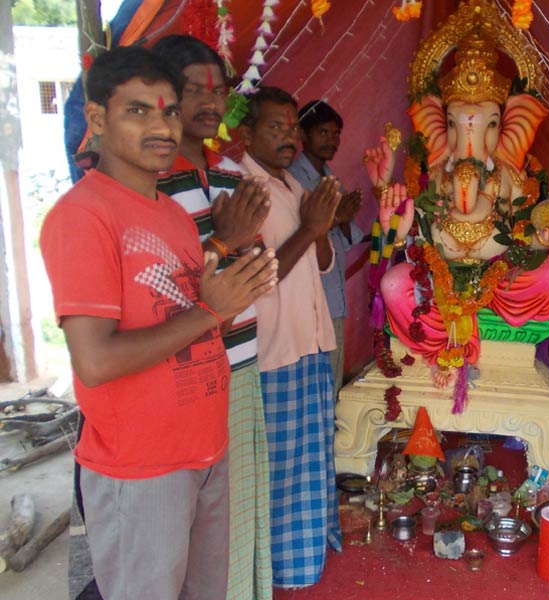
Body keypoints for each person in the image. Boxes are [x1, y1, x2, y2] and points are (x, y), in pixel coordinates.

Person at [39, 46, 278, 599]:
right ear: (97, 120)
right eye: (138, 111)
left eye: (169, 111)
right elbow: (96, 362)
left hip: (204, 447)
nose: (162, 125)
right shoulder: (83, 217)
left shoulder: (169, 214)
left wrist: (233, 286)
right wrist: (212, 309)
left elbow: (181, 318)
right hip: (141, 469)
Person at [151, 34, 274, 600]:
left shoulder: (229, 173)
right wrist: (225, 245)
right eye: (192, 88)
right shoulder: (151, 179)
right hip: (186, 372)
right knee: (190, 533)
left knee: (239, 508)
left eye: (217, 89)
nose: (208, 101)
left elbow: (253, 266)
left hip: (242, 362)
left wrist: (247, 254)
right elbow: (162, 284)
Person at [237, 86, 343, 588]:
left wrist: (319, 224)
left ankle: (308, 552)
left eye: (291, 128)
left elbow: (322, 263)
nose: (289, 138)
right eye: (274, 128)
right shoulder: (242, 188)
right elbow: (259, 275)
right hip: (275, 348)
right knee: (281, 467)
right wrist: (313, 224)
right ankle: (281, 568)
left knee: (312, 453)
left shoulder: (290, 186)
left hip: (310, 340)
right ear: (247, 132)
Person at [288, 100, 363, 396]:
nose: (331, 140)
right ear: (303, 136)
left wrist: (342, 218)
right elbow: (297, 232)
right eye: (323, 133)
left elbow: (346, 240)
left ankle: (327, 432)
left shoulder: (331, 179)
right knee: (313, 381)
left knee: (332, 374)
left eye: (335, 134)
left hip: (333, 294)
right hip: (308, 297)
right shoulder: (293, 178)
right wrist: (336, 217)